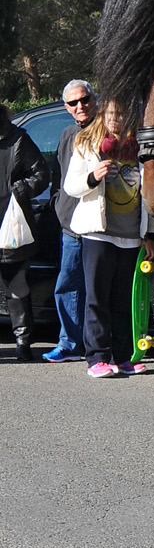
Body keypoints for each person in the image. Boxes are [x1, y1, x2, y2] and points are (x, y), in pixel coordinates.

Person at [65, 100, 154, 378]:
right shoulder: (87, 144)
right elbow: (71, 186)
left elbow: (152, 194)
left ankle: (123, 357)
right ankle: (97, 358)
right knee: (97, 298)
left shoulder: (141, 149)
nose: (116, 119)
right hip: (98, 233)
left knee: (123, 302)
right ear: (103, 116)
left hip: (132, 236)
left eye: (122, 114)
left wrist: (151, 234)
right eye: (111, 114)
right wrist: (92, 177)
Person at [43, 79, 97, 363]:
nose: (80, 106)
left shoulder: (108, 131)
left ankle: (101, 345)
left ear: (94, 99)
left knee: (99, 288)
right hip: (72, 227)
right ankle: (69, 344)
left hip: (103, 226)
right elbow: (58, 177)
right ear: (66, 108)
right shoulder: (67, 135)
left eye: (84, 99)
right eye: (73, 103)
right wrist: (58, 206)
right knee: (68, 285)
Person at [0, 104, 50, 361]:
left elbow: (41, 173)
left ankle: (22, 341)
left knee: (16, 284)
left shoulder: (18, 139)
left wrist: (19, 190)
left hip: (10, 222)